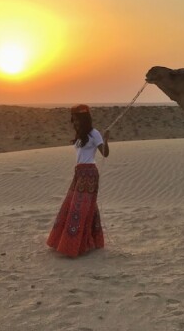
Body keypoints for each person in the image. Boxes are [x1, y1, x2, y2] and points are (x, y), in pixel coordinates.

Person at [46, 104, 110, 257]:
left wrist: (106, 140)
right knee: (85, 207)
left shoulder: (95, 134)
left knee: (78, 207)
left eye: (76, 119)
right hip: (79, 173)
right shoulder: (81, 135)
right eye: (73, 120)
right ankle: (92, 242)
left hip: (89, 173)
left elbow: (105, 154)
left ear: (84, 119)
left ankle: (74, 246)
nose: (74, 123)